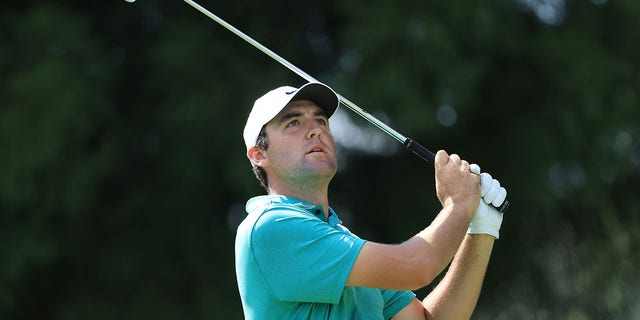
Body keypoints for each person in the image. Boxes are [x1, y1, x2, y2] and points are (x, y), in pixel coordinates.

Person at [235, 82, 508, 319]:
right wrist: (459, 204)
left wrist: (481, 229)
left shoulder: (342, 241)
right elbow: (416, 266)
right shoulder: (270, 227)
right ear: (259, 154)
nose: (315, 130)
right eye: (293, 122)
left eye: (321, 121)